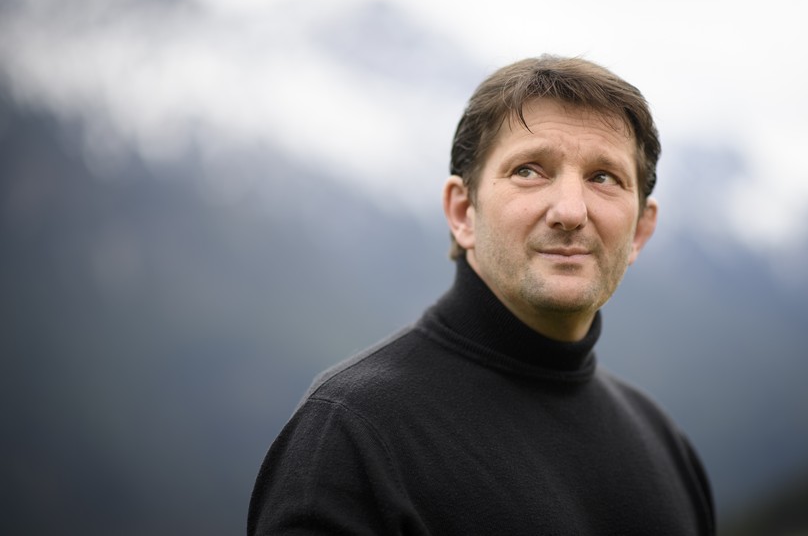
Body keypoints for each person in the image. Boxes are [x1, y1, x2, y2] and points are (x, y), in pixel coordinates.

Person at [248, 55, 716, 535]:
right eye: (529, 171)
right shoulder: (352, 433)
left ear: (640, 230)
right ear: (462, 212)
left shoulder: (666, 448)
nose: (571, 211)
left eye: (603, 178)